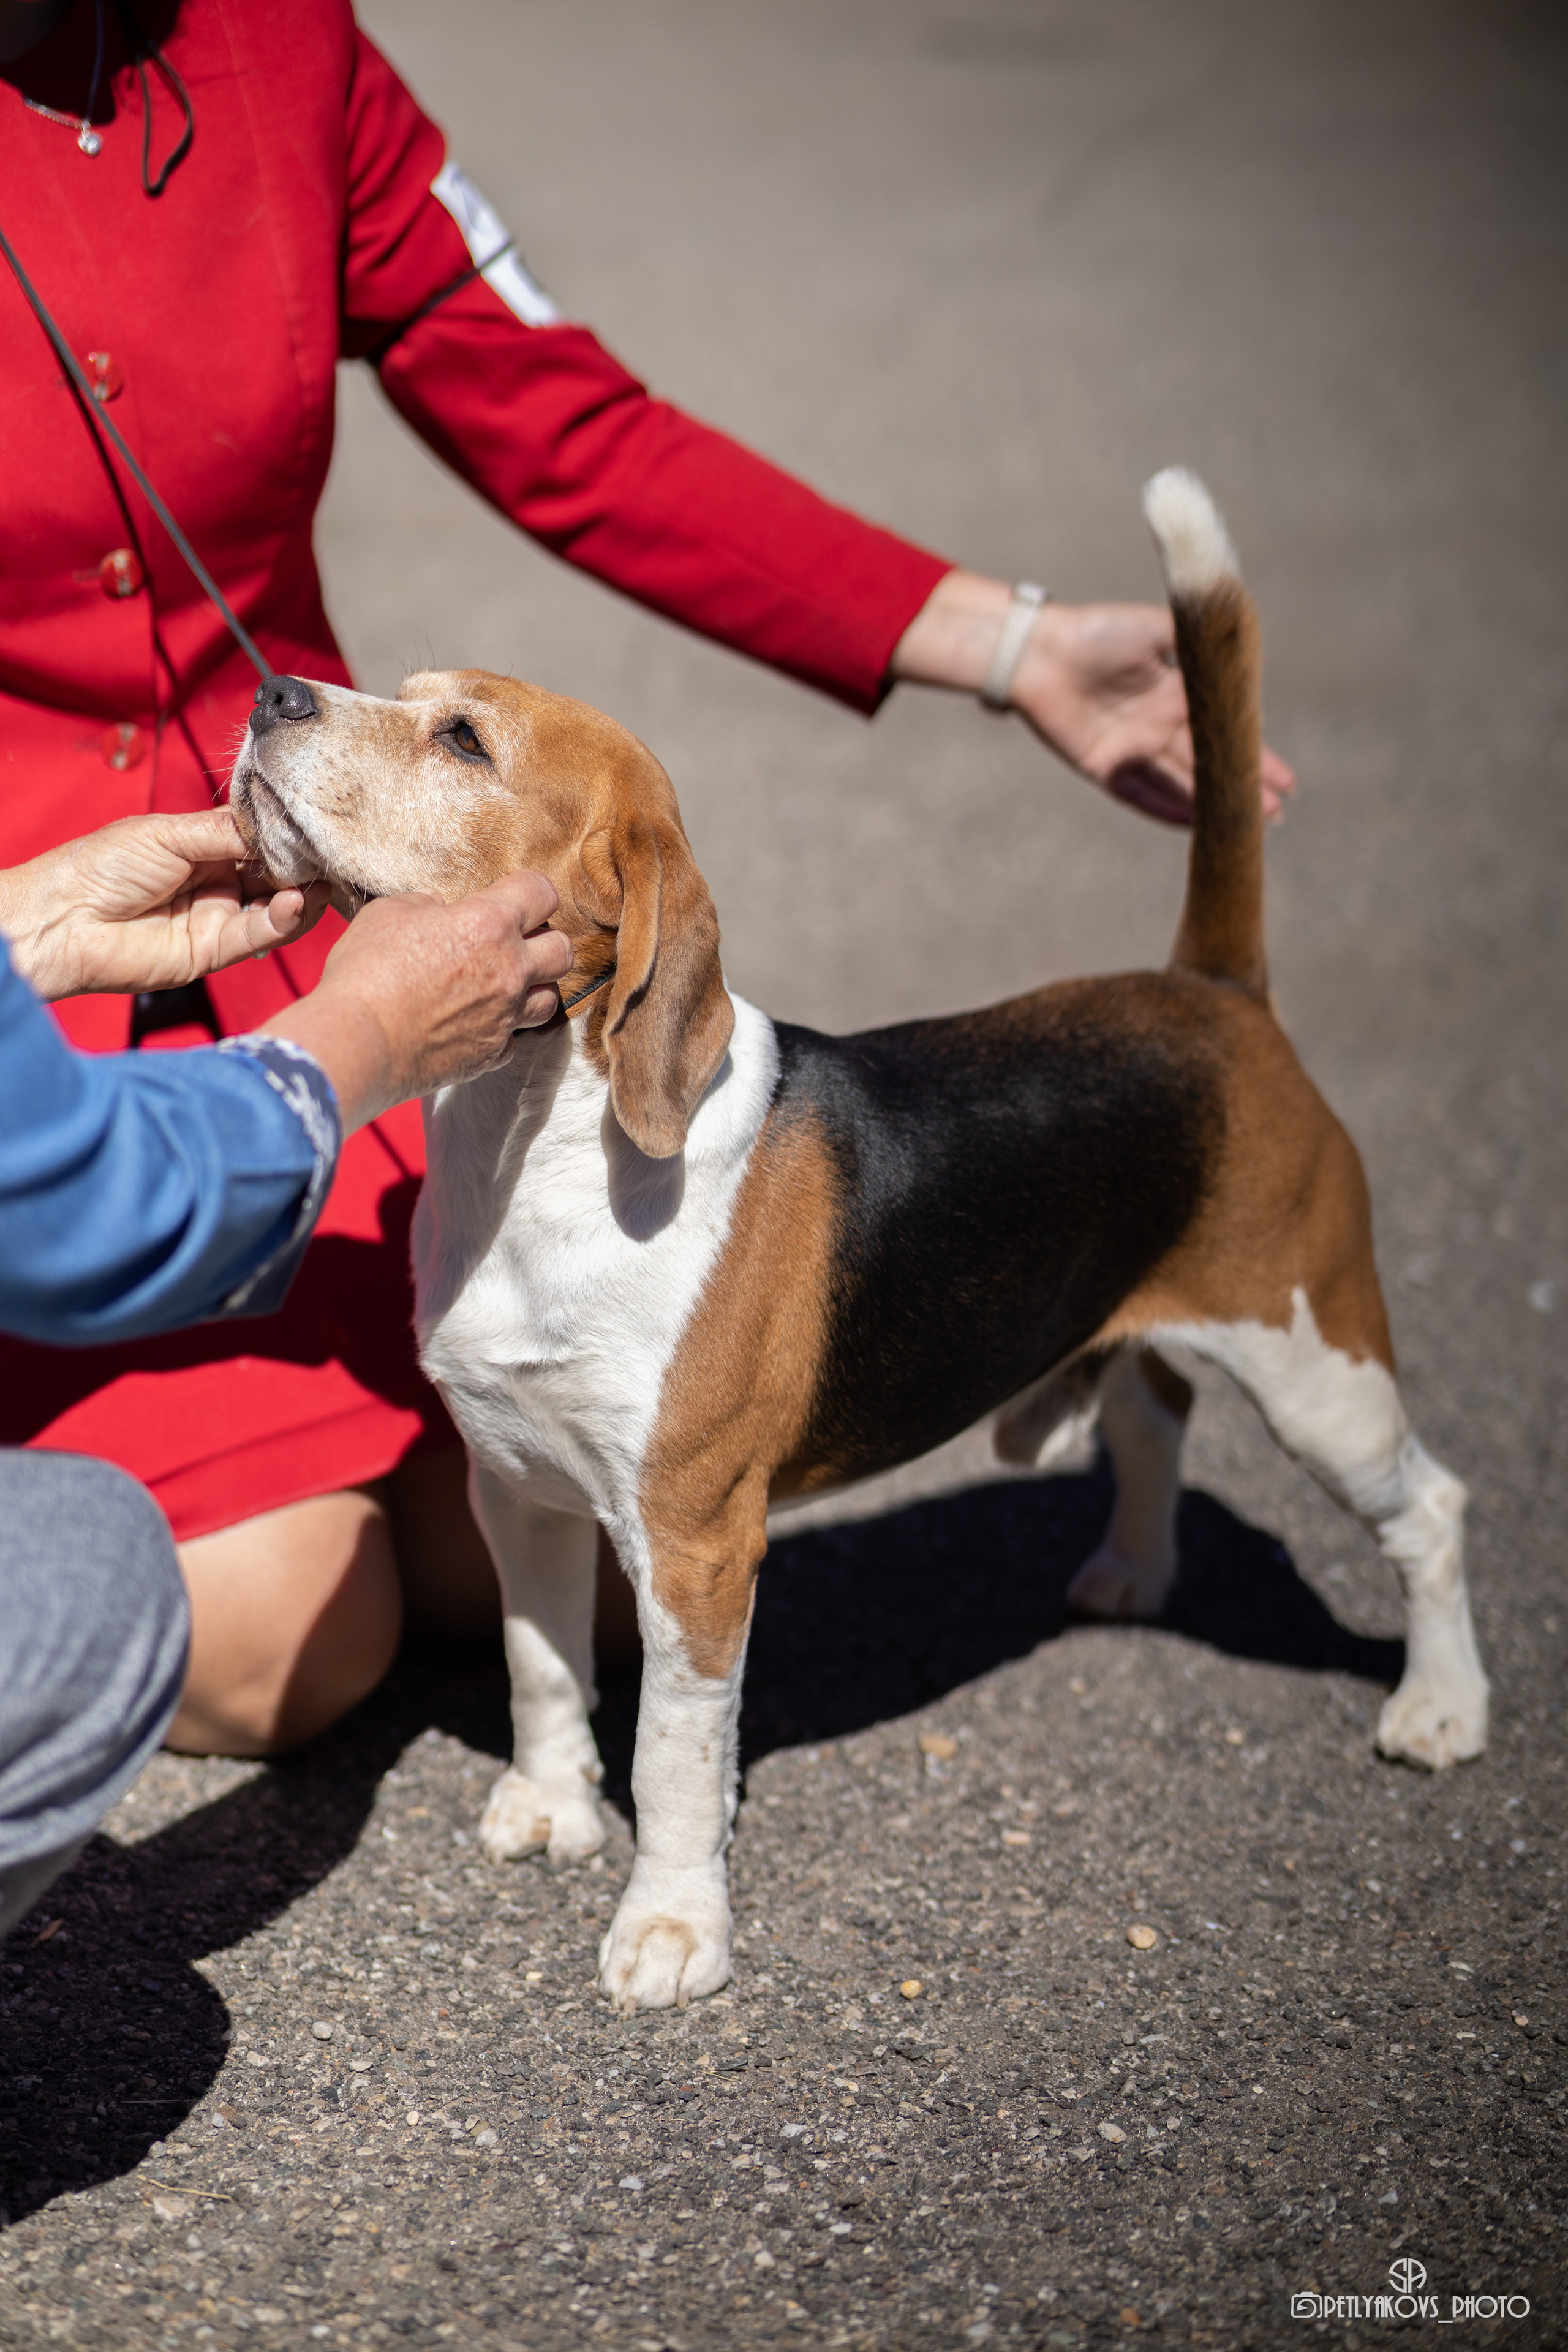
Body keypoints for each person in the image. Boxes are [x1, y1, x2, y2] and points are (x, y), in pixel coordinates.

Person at [0, 0, 1293, 1762]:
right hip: (31, 1004)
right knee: (281, 1638)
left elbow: (576, 420)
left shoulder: (282, 42)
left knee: (625, 1528)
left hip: (335, 908)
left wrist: (1012, 647)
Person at [0, 804, 570, 1934]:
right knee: (157, 1590)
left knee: (589, 1522)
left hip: (205, 946)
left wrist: (27, 925)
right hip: (117, 1100)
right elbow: (74, 1198)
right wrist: (371, 1029)